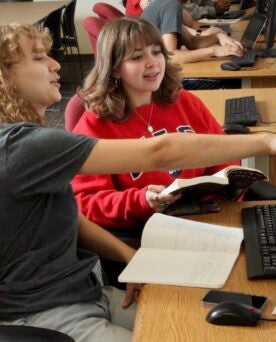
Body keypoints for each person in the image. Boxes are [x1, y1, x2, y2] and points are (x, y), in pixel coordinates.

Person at [0, 22, 276, 342]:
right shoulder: (22, 146)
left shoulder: (30, 141)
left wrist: (130, 259)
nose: (56, 65)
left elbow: (71, 216)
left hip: (87, 292)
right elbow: (161, 152)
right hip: (47, 315)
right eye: (39, 57)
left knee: (207, 324)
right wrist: (269, 141)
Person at [71, 16, 241, 232]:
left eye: (156, 52)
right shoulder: (96, 124)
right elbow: (84, 202)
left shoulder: (184, 101)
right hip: (146, 230)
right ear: (114, 68)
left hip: (206, 215)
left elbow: (223, 155)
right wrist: (142, 201)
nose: (152, 63)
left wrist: (224, 187)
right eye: (137, 57)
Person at [140, 0, 244, 65]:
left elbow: (192, 42)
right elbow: (171, 57)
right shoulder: (171, 5)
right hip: (155, 79)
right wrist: (213, 51)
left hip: (153, 71)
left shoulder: (169, 4)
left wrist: (219, 36)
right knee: (232, 83)